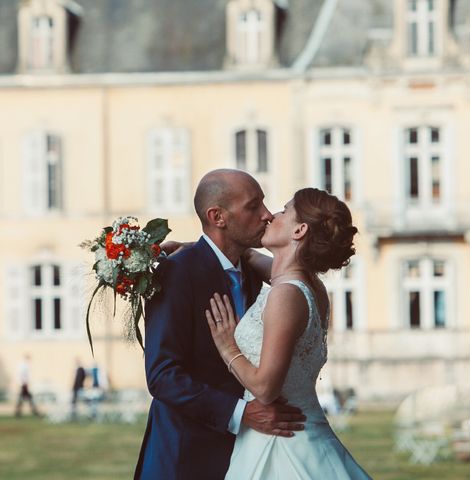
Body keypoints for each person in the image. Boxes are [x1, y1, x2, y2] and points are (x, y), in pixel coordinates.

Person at [134, 169, 306, 480]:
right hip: (184, 458)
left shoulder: (255, 272)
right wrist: (240, 413)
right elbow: (162, 375)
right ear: (218, 216)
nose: (267, 215)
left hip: (248, 456)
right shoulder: (175, 273)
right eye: (253, 206)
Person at [206, 187, 373, 479]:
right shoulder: (307, 285)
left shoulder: (286, 295)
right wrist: (201, 248)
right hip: (304, 432)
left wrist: (227, 347)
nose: (271, 216)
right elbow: (255, 260)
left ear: (300, 229)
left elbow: (266, 387)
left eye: (283, 211)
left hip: (281, 441)